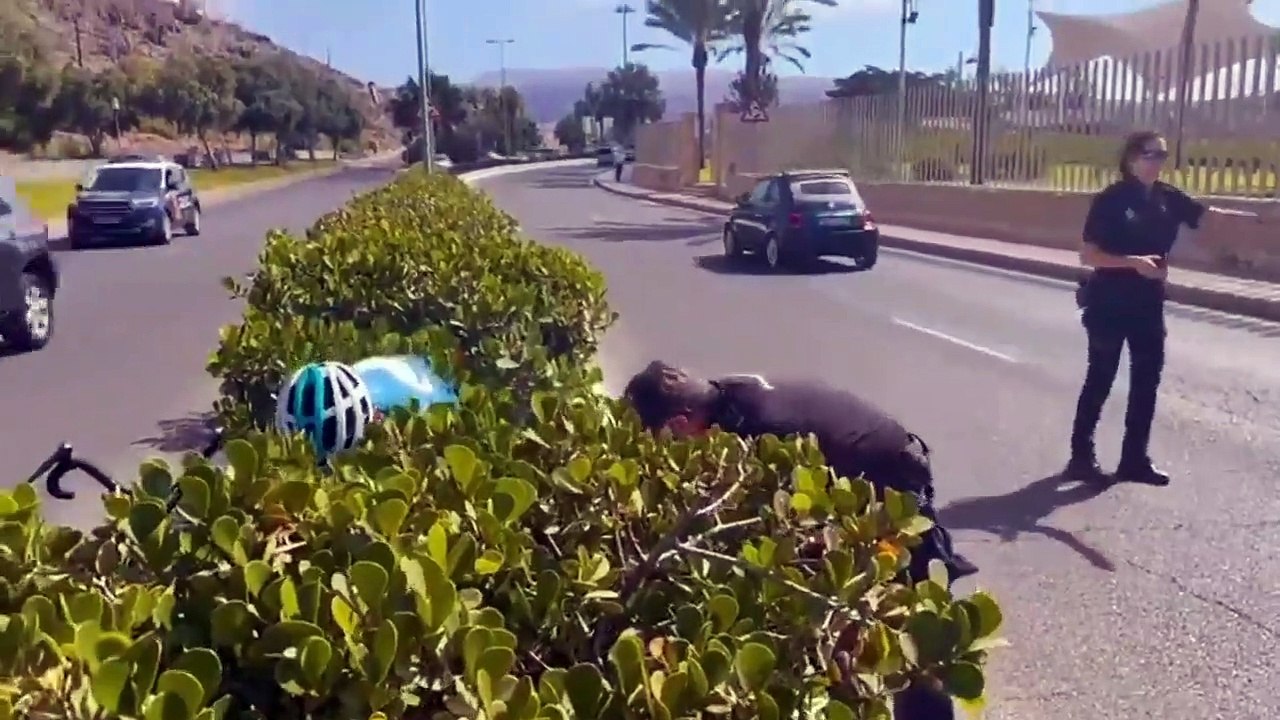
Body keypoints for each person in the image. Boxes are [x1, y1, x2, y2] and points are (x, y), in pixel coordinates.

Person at [623, 362, 974, 718]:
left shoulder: (762, 435)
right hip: (859, 477)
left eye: (658, 440)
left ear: (679, 424)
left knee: (908, 634)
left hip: (891, 485)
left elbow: (793, 527)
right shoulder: (724, 399)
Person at [1066, 130, 1240, 486]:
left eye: (1162, 155)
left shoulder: (1166, 197)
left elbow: (1205, 216)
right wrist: (1132, 263)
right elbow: (1089, 254)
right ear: (1131, 159)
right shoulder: (1112, 200)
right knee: (1101, 377)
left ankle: (1134, 459)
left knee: (1146, 382)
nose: (1157, 161)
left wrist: (1242, 218)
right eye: (1150, 154)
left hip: (1148, 304)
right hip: (1109, 303)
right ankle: (1080, 457)